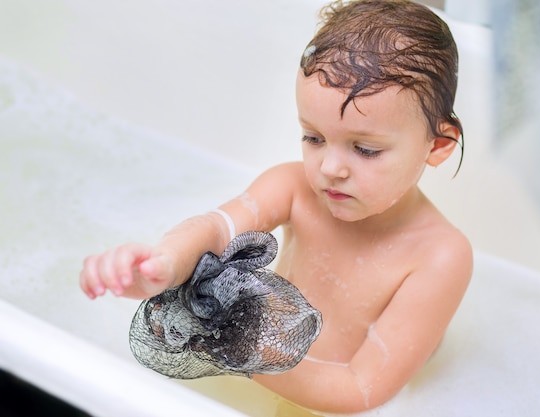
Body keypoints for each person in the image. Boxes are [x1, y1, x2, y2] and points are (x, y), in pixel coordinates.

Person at [79, 0, 473, 413]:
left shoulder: (439, 256)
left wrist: (241, 348)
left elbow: (360, 389)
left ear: (439, 145)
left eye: (365, 149)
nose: (330, 168)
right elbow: (217, 229)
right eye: (314, 137)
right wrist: (162, 266)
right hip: (262, 366)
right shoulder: (294, 187)